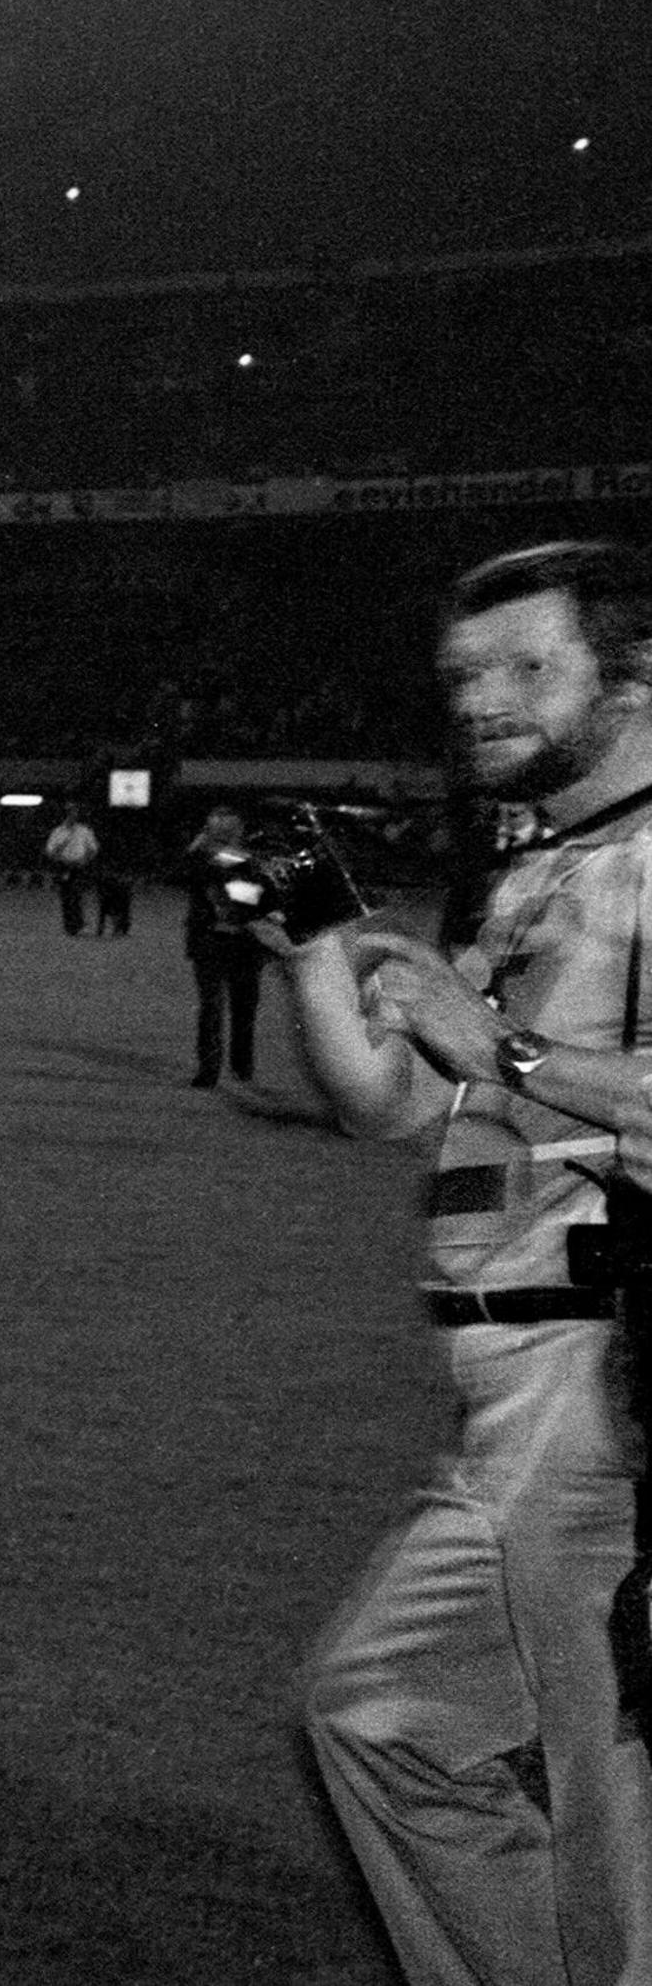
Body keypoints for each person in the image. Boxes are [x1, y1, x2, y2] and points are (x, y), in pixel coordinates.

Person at [269, 534, 652, 1986]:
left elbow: (519, 1066)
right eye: (461, 673)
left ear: (636, 673)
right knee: (383, 1713)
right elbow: (392, 1102)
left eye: (524, 665)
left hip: (609, 1380)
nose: (478, 696)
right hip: (507, 1394)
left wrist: (502, 1040)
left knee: (621, 1813)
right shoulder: (535, 868)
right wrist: (318, 932)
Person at [178, 805, 271, 1088]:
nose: (222, 834)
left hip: (245, 942)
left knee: (243, 1008)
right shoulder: (201, 859)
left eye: (227, 829)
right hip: (210, 940)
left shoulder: (250, 859)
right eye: (215, 828)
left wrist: (240, 888)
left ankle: (241, 1065)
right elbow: (188, 876)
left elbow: (262, 896)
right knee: (212, 1007)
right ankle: (210, 1068)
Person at [43, 801, 101, 936]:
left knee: (77, 894)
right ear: (66, 815)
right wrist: (60, 851)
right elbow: (50, 851)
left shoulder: (85, 831)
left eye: (75, 813)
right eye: (70, 813)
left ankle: (78, 923)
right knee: (66, 896)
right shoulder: (57, 831)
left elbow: (93, 849)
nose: (73, 816)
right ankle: (70, 925)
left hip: (79, 866)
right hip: (64, 866)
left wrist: (85, 860)